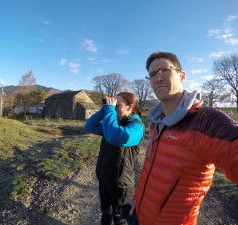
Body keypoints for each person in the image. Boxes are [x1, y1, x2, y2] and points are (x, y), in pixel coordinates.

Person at [131, 51, 238, 225]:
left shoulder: (206, 120)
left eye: (164, 70)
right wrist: (138, 200)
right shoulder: (157, 122)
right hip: (140, 216)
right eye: (152, 74)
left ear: (182, 75)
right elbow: (150, 169)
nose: (157, 78)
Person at [84, 92, 144, 225]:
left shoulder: (136, 127)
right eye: (113, 104)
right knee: (106, 212)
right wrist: (105, 108)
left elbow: (114, 137)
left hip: (121, 184)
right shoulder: (113, 123)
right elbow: (89, 126)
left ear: (130, 107)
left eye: (118, 105)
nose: (114, 107)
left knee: (120, 219)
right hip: (104, 179)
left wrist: (110, 110)